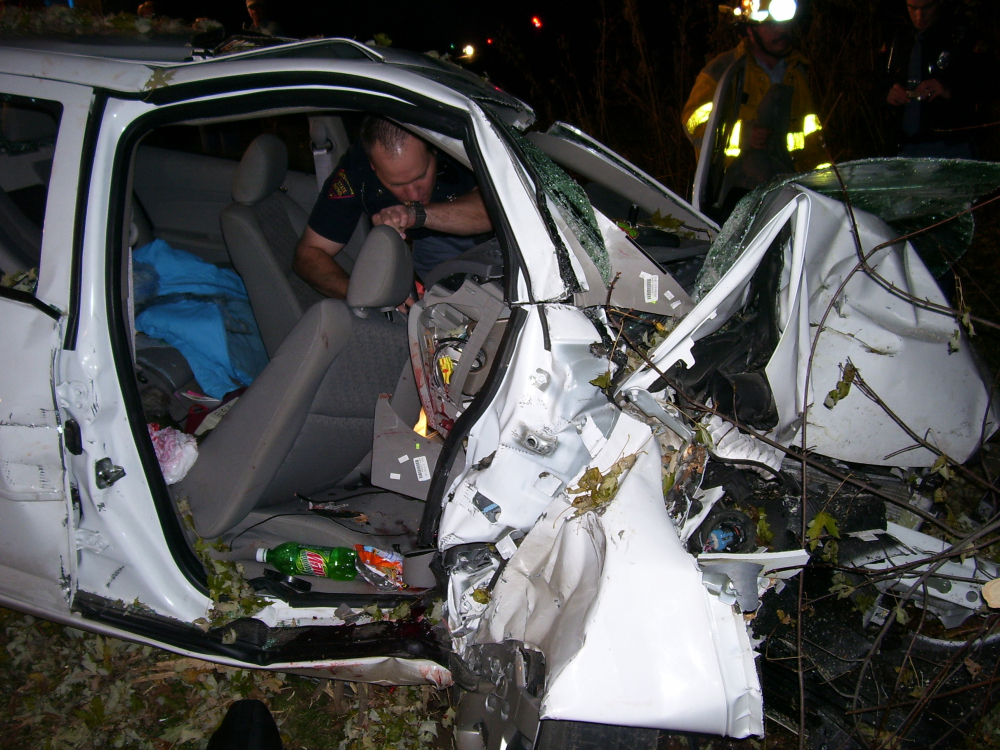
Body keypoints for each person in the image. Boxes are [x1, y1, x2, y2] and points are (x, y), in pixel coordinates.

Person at [294, 117, 493, 300]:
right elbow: (308, 255)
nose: (414, 195)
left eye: (420, 177)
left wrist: (415, 215)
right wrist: (368, 296)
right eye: (396, 184)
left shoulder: (455, 143)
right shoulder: (357, 172)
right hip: (431, 249)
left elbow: (491, 213)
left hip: (491, 239)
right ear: (373, 167)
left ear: (434, 151)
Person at [681, 0, 827, 214]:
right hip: (731, 194)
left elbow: (812, 138)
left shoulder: (797, 73)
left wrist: (824, 184)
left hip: (790, 188)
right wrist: (743, 135)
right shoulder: (724, 72)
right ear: (750, 31)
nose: (781, 31)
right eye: (771, 26)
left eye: (785, 24)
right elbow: (693, 123)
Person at [883, 0, 979, 158]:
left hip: (951, 146)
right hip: (905, 147)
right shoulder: (898, 38)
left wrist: (948, 90)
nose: (920, 15)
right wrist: (888, 94)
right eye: (913, 8)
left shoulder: (961, 37)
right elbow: (877, 82)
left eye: (927, 7)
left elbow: (987, 84)